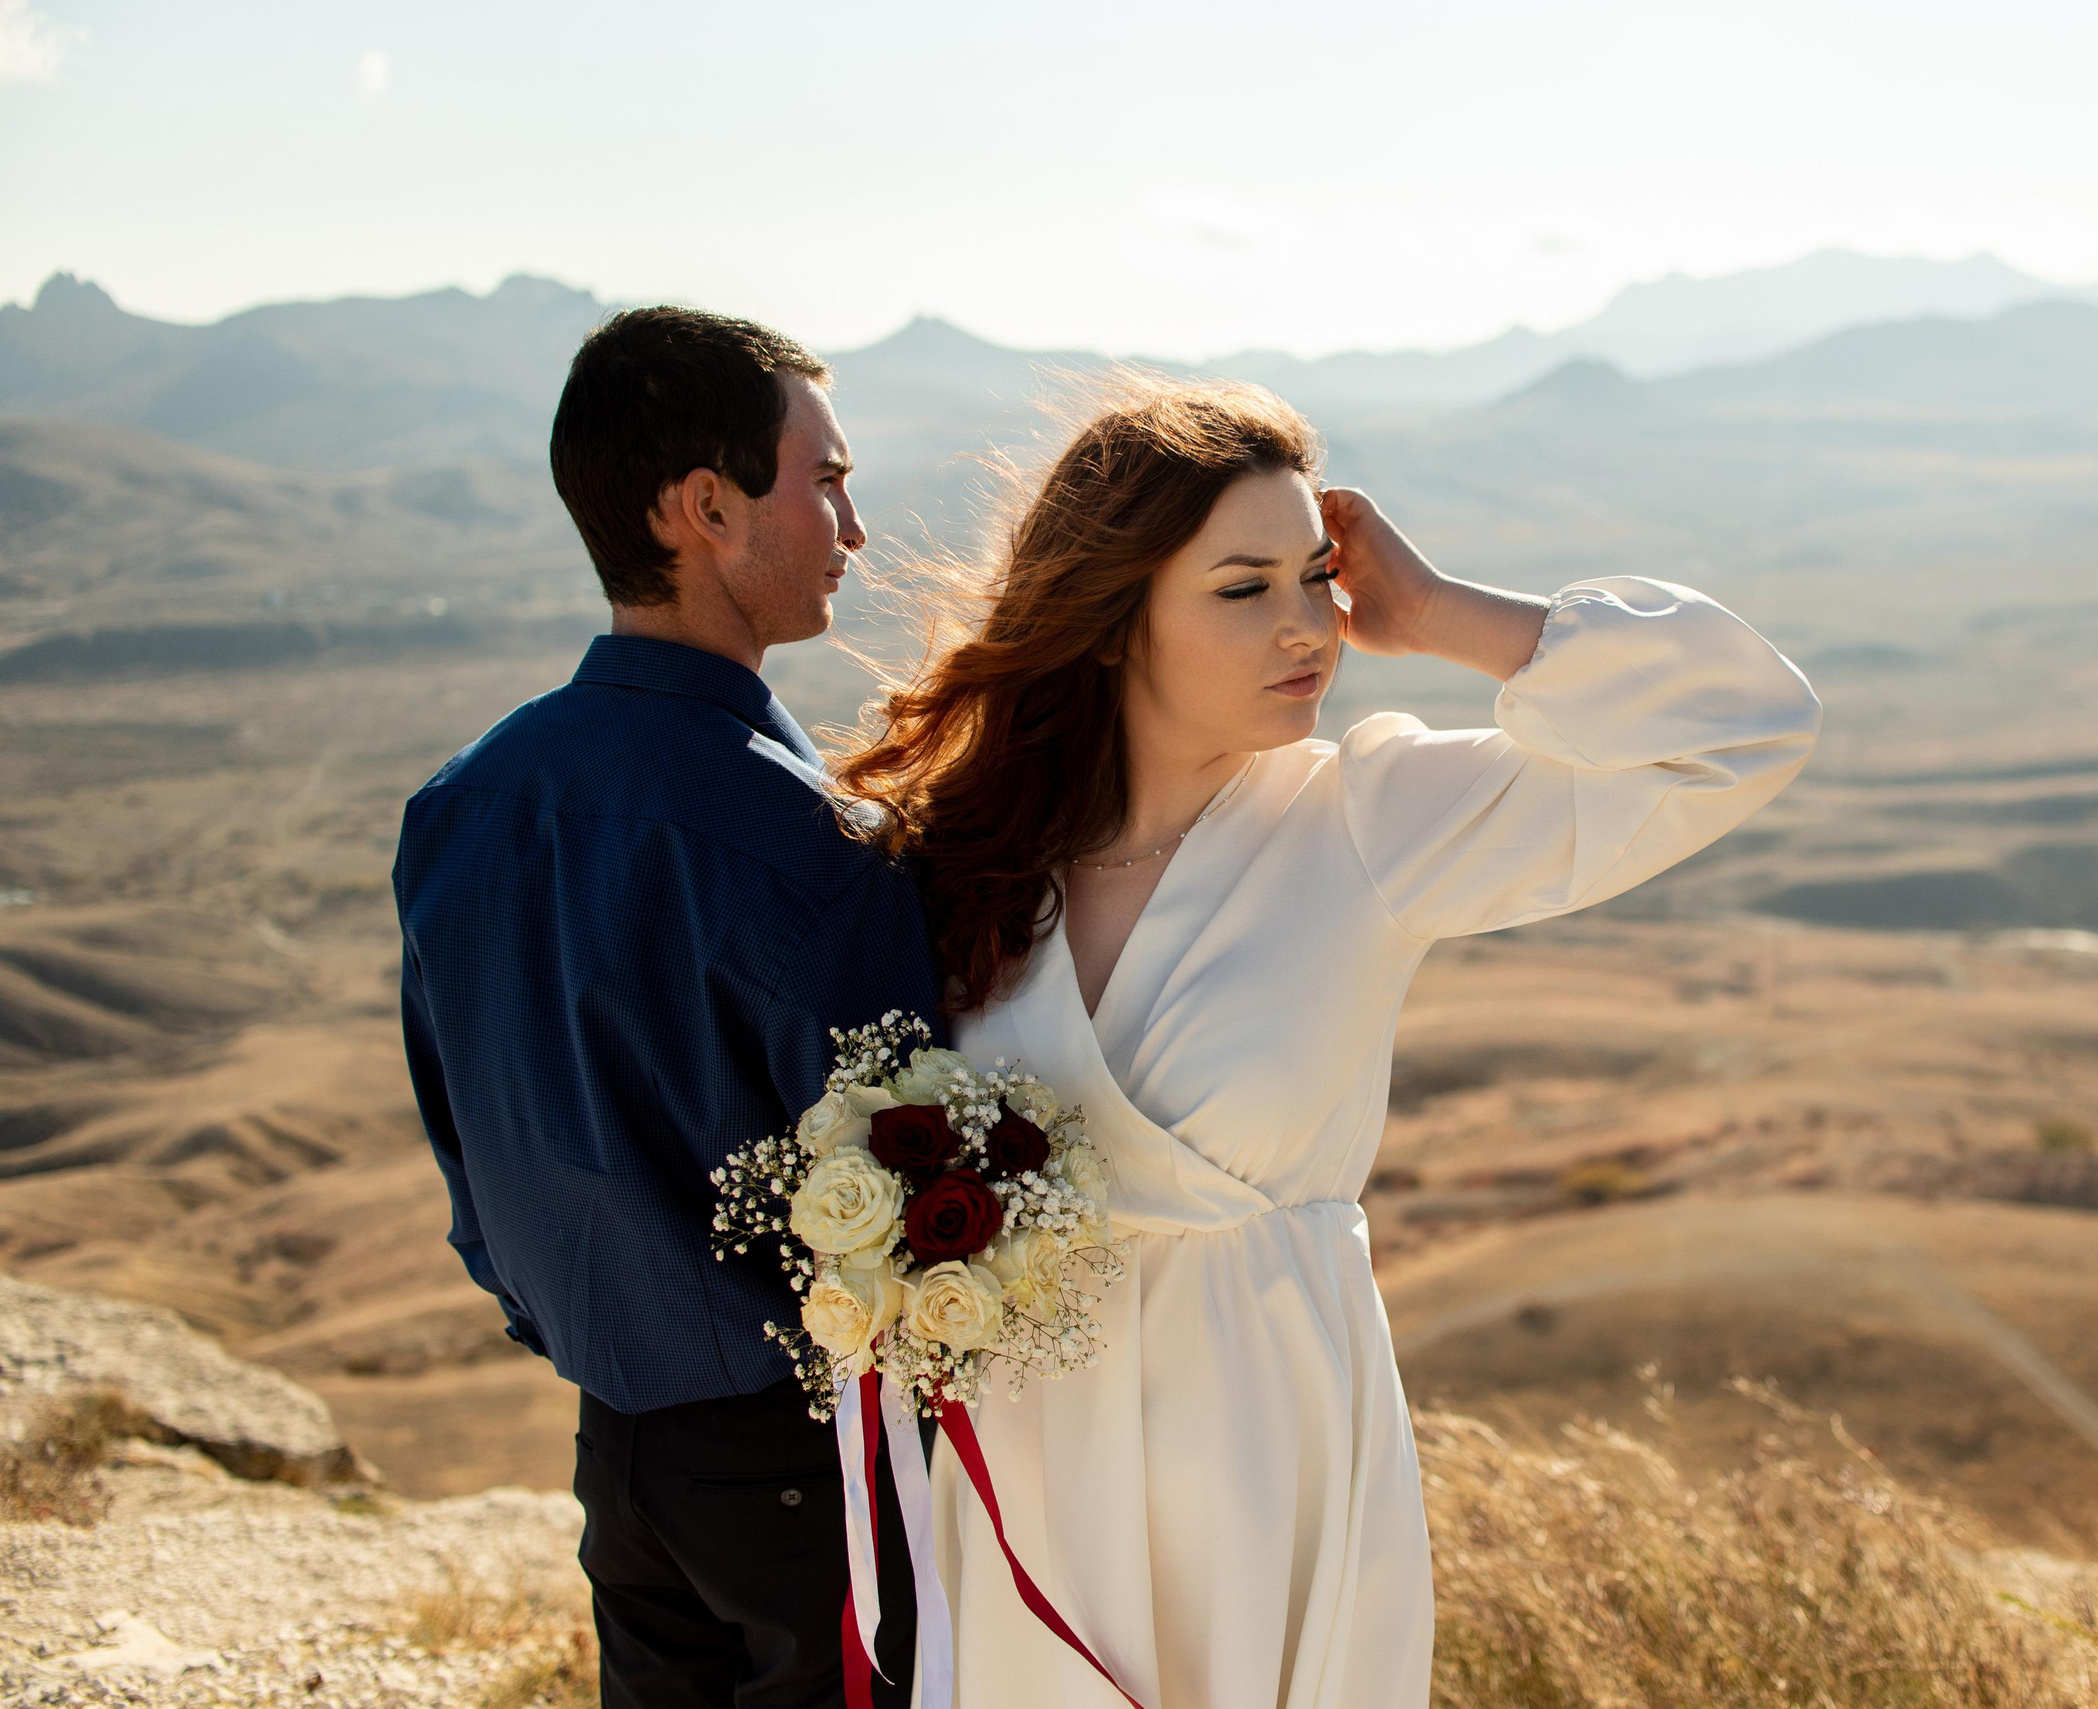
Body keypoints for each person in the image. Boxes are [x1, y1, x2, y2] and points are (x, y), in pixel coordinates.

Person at [833, 375, 1821, 1707]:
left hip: (1268, 1445)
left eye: (1317, 577)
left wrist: (1441, 612)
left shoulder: (1368, 817)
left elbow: (1741, 723)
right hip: (1031, 1456)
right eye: (1244, 589)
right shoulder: (964, 863)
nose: (1308, 628)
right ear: (1114, 614)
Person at [394, 307, 938, 1709]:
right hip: (797, 1464)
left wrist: (571, 1315)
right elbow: (911, 1202)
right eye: (826, 480)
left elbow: (465, 1141)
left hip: (613, 1448)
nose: (854, 527)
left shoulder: (463, 802)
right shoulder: (814, 846)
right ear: (705, 508)